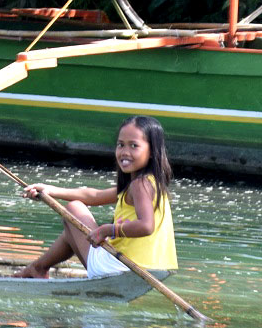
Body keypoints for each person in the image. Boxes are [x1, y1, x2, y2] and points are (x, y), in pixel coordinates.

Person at [15, 115, 177, 279]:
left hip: (121, 268)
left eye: (134, 146)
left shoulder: (139, 185)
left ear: (152, 151)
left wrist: (109, 229)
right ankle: (38, 268)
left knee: (73, 208)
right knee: (73, 228)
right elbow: (94, 195)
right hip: (154, 269)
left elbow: (146, 226)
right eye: (120, 145)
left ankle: (38, 268)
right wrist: (51, 190)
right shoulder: (150, 183)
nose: (124, 152)